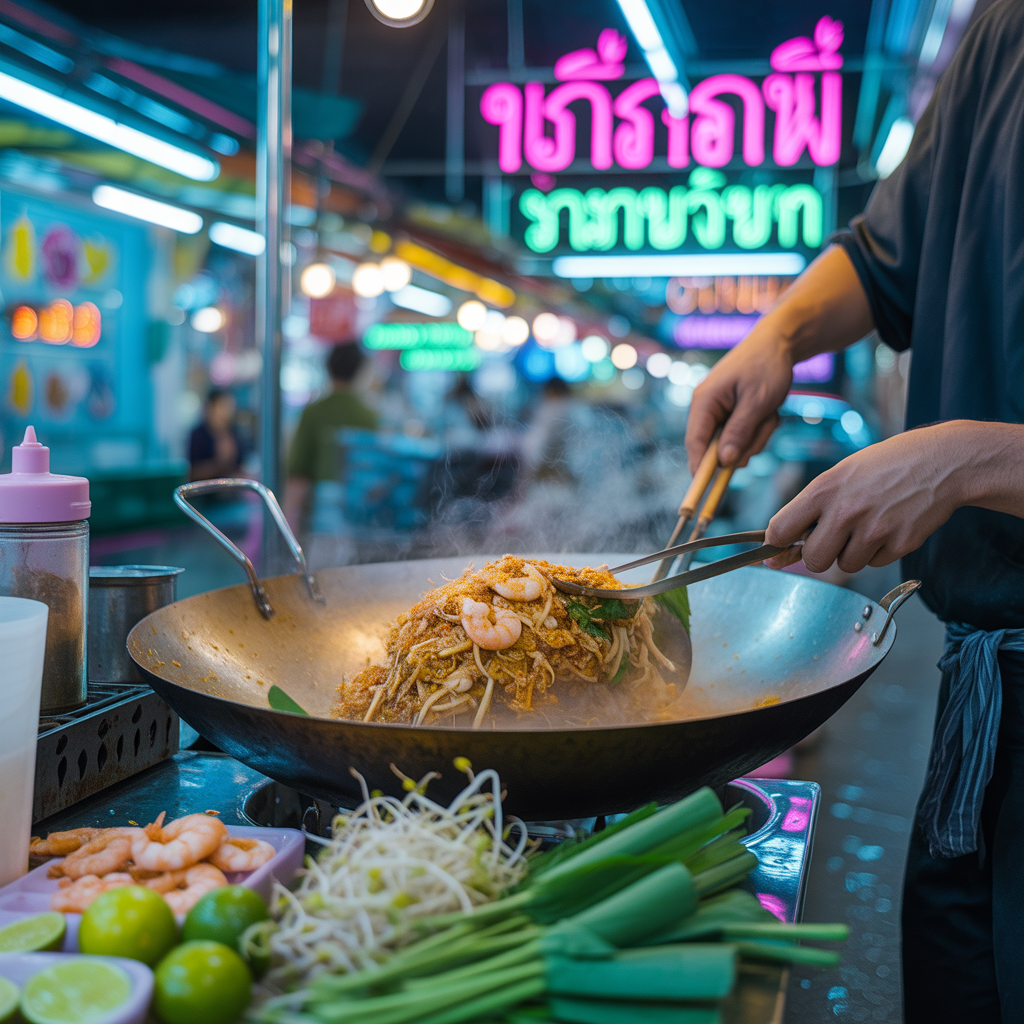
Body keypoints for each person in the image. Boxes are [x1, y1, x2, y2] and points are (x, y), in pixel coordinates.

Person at [685, 4, 1024, 1019]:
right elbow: (886, 252)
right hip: (985, 699)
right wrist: (778, 334)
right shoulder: (1000, 32)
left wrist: (973, 461)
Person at [285, 342, 378, 530]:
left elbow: (299, 471)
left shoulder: (314, 411)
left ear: (327, 368)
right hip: (360, 505)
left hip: (322, 504)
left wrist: (288, 521)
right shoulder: (369, 415)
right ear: (359, 370)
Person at [188, 388, 244, 481]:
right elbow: (193, 473)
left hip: (231, 492)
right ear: (211, 407)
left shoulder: (234, 433)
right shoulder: (198, 435)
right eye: (223, 406)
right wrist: (219, 463)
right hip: (205, 492)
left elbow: (240, 466)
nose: (227, 411)